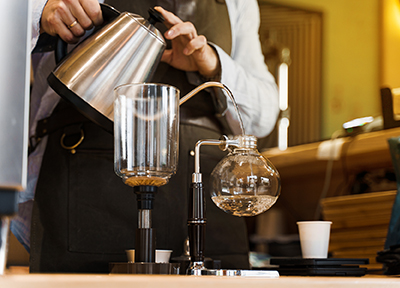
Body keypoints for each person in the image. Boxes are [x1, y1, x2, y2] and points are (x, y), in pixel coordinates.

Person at [13, 0, 279, 273]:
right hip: (90, 181)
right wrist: (39, 11)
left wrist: (212, 63)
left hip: (207, 184)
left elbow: (264, 116)